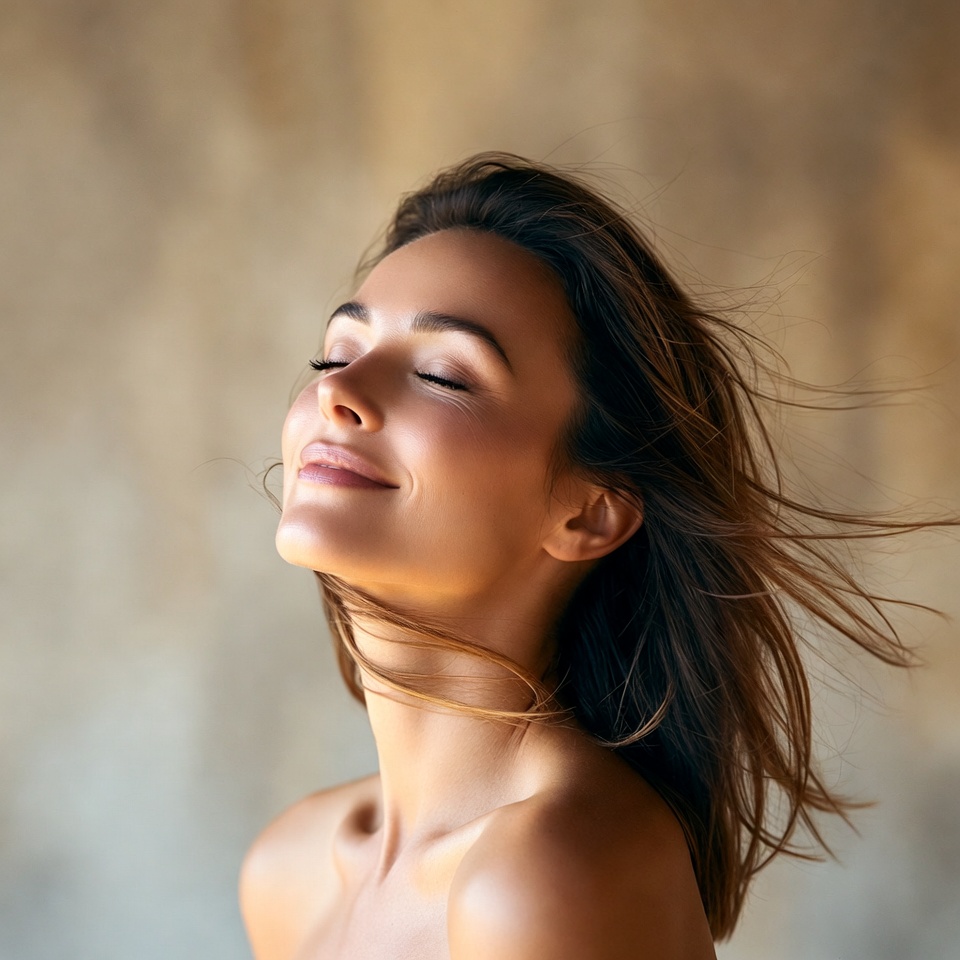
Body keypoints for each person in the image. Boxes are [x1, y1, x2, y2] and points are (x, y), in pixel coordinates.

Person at [239, 153, 921, 959]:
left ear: (590, 512)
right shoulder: (290, 869)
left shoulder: (545, 877)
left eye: (442, 375)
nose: (336, 393)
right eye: (335, 353)